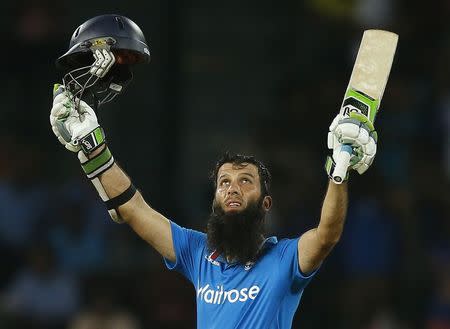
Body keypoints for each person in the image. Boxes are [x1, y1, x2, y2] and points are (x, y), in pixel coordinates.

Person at [50, 14, 377, 329]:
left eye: (245, 181)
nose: (232, 188)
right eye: (224, 183)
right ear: (215, 200)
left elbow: (327, 234)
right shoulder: (198, 254)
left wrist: (339, 173)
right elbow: (133, 209)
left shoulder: (284, 259)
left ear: (266, 203)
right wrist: (93, 148)